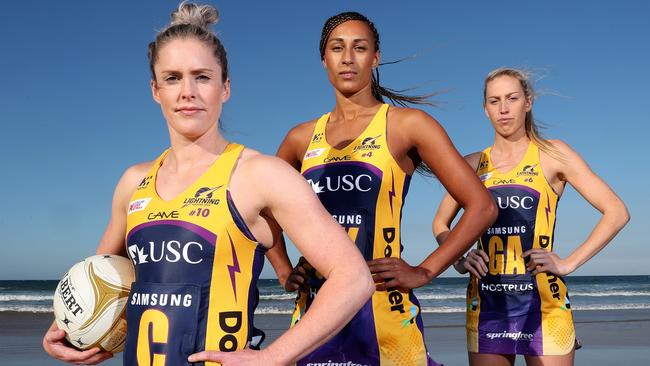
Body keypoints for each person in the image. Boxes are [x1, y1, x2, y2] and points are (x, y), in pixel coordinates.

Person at [42, 3, 374, 365]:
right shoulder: (132, 183)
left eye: (202, 76)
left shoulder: (261, 175)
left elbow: (353, 278)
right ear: (155, 90)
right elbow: (99, 282)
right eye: (172, 78)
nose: (188, 91)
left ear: (225, 87)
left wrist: (273, 357)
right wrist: (69, 329)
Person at [266, 11, 497, 366]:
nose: (347, 58)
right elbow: (264, 212)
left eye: (359, 48)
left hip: (384, 311)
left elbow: (482, 206)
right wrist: (283, 271)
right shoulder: (299, 138)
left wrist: (425, 270)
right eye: (336, 48)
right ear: (323, 59)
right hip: (314, 312)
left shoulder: (408, 125)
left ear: (375, 58)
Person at [432, 67, 630, 366]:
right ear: (485, 109)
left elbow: (616, 211)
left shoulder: (553, 154)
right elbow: (440, 224)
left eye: (511, 98)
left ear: (528, 102)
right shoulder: (472, 164)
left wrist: (568, 263)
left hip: (544, 306)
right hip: (487, 306)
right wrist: (460, 259)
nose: (503, 108)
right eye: (494, 101)